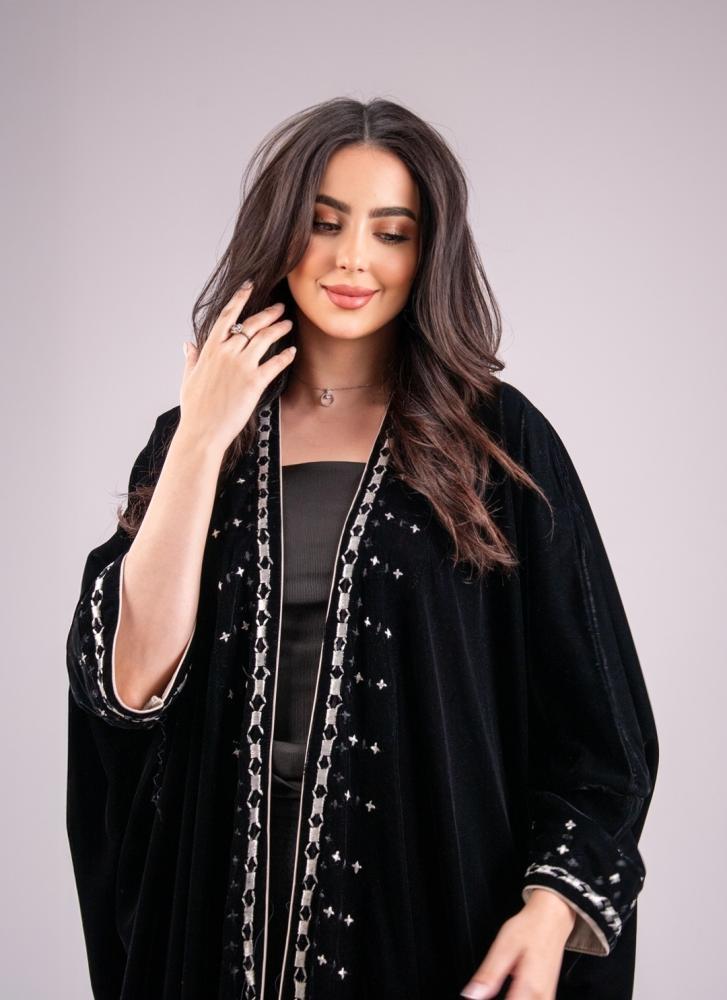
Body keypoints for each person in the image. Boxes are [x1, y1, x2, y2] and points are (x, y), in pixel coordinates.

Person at [65, 97, 659, 1000]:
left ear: (427, 255)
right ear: (280, 233)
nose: (353, 259)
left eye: (391, 233)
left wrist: (548, 912)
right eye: (324, 222)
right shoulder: (192, 440)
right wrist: (200, 435)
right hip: (216, 895)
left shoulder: (496, 442)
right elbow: (128, 682)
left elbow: (599, 724)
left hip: (429, 901)